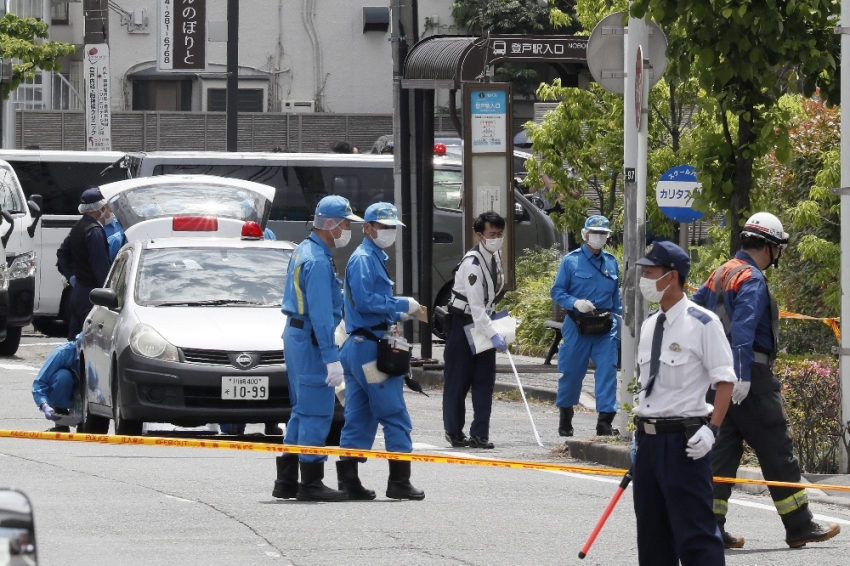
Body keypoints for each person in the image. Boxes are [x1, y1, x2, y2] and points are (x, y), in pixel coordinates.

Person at [692, 212, 840, 549]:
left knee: (722, 453)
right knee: (776, 449)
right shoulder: (752, 278)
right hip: (750, 378)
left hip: (715, 378)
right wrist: (742, 375)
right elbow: (743, 330)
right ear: (770, 247)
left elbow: (693, 314)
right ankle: (800, 525)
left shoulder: (720, 273)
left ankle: (709, 527)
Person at [632, 241, 736, 566]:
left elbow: (725, 381)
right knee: (652, 540)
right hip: (648, 445)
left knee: (696, 539)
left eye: (650, 272)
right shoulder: (650, 325)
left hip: (683, 444)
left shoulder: (702, 323)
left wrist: (712, 431)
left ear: (671, 276)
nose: (644, 279)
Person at [272, 195, 361, 502]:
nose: (348, 230)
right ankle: (310, 480)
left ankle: (286, 480)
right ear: (332, 225)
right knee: (316, 411)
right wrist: (331, 358)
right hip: (311, 339)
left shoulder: (303, 250)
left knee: (300, 408)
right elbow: (322, 317)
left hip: (297, 336)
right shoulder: (318, 262)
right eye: (347, 224)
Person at [336, 202, 425, 500]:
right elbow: (365, 302)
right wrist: (403, 305)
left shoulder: (372, 257)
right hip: (371, 353)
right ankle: (399, 481)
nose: (388, 232)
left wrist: (397, 312)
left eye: (392, 227)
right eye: (383, 226)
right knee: (393, 412)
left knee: (360, 415)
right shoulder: (364, 259)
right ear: (368, 228)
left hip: (360, 347)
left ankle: (349, 481)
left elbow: (369, 304)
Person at [550, 214, 622, 437]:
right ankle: (565, 418)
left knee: (608, 371)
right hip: (577, 324)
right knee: (571, 372)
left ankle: (605, 422)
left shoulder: (611, 261)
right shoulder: (570, 261)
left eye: (603, 234)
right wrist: (575, 303)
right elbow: (557, 291)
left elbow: (616, 299)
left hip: (605, 326)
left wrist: (620, 327)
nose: (598, 237)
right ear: (585, 234)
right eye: (594, 233)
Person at [442, 211, 506, 449]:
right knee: (458, 381)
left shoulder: (493, 257)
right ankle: (454, 431)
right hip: (463, 323)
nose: (496, 238)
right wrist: (494, 334)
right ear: (480, 235)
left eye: (500, 234)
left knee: (484, 381)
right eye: (492, 234)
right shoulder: (472, 264)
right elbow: (476, 308)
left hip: (483, 323)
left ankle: (480, 433)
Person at [56, 188, 113, 341]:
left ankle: (71, 365)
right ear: (100, 208)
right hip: (92, 295)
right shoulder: (94, 232)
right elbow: (100, 268)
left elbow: (62, 253)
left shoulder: (78, 227)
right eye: (106, 207)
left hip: (78, 292)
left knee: (74, 340)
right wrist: (108, 294)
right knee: (89, 342)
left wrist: (71, 276)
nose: (108, 211)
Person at [32, 338, 81, 433]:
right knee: (63, 376)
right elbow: (40, 382)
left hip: (91, 395)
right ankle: (61, 419)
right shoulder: (63, 352)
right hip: (71, 389)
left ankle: (86, 423)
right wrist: (44, 405)